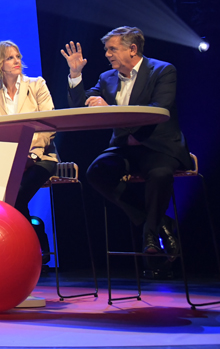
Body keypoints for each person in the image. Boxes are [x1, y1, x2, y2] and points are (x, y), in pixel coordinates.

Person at [62, 27, 192, 256]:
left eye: (112, 49)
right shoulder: (107, 78)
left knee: (160, 174)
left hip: (158, 146)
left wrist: (111, 109)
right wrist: (75, 75)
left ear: (133, 49)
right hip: (124, 148)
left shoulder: (162, 71)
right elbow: (80, 105)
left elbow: (157, 111)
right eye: (106, 50)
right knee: (97, 172)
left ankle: (150, 235)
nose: (107, 54)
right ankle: (159, 223)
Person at [0, 41, 59, 223]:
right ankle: (33, 238)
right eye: (10, 58)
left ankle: (30, 244)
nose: (17, 61)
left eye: (18, 57)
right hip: (10, 163)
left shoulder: (37, 85)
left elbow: (48, 124)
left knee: (15, 196)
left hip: (42, 158)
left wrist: (31, 155)